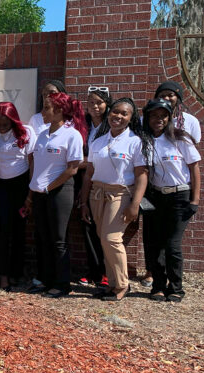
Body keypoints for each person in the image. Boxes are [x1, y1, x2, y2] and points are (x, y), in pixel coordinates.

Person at [80, 98, 150, 301]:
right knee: (104, 240)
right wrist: (84, 202)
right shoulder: (98, 141)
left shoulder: (135, 142)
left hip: (120, 194)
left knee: (111, 239)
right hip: (97, 194)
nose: (118, 116)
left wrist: (135, 204)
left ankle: (121, 285)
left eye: (124, 113)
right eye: (115, 112)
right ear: (109, 113)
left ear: (131, 118)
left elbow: (141, 175)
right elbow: (89, 173)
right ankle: (111, 284)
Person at [24, 92, 87, 298]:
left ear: (59, 111)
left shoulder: (72, 135)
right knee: (43, 238)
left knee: (59, 240)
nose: (42, 112)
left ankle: (62, 284)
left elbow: (72, 169)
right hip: (40, 193)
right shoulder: (42, 135)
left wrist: (49, 188)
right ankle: (45, 279)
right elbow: (37, 165)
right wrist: (33, 193)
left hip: (59, 192)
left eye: (46, 108)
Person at [141, 81, 203, 288]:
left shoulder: (180, 138)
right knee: (155, 243)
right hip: (156, 196)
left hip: (180, 196)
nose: (158, 120)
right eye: (154, 116)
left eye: (163, 116)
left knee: (173, 244)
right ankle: (158, 286)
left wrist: (195, 200)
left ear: (169, 118)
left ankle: (175, 287)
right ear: (148, 119)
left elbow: (194, 168)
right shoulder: (145, 141)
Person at [0, 102, 35, 291]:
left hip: (23, 185)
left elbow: (32, 164)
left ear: (13, 118)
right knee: (3, 231)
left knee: (19, 231)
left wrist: (30, 195)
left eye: (6, 123)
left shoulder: (26, 132)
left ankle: (16, 273)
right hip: (4, 187)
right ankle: (4, 276)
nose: (2, 126)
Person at [77, 86, 112, 289]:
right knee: (87, 224)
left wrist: (83, 161)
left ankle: (107, 272)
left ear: (107, 105)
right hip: (85, 181)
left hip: (105, 181)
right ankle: (94, 271)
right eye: (91, 102)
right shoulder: (84, 126)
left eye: (99, 102)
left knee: (105, 229)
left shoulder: (111, 126)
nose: (95, 106)